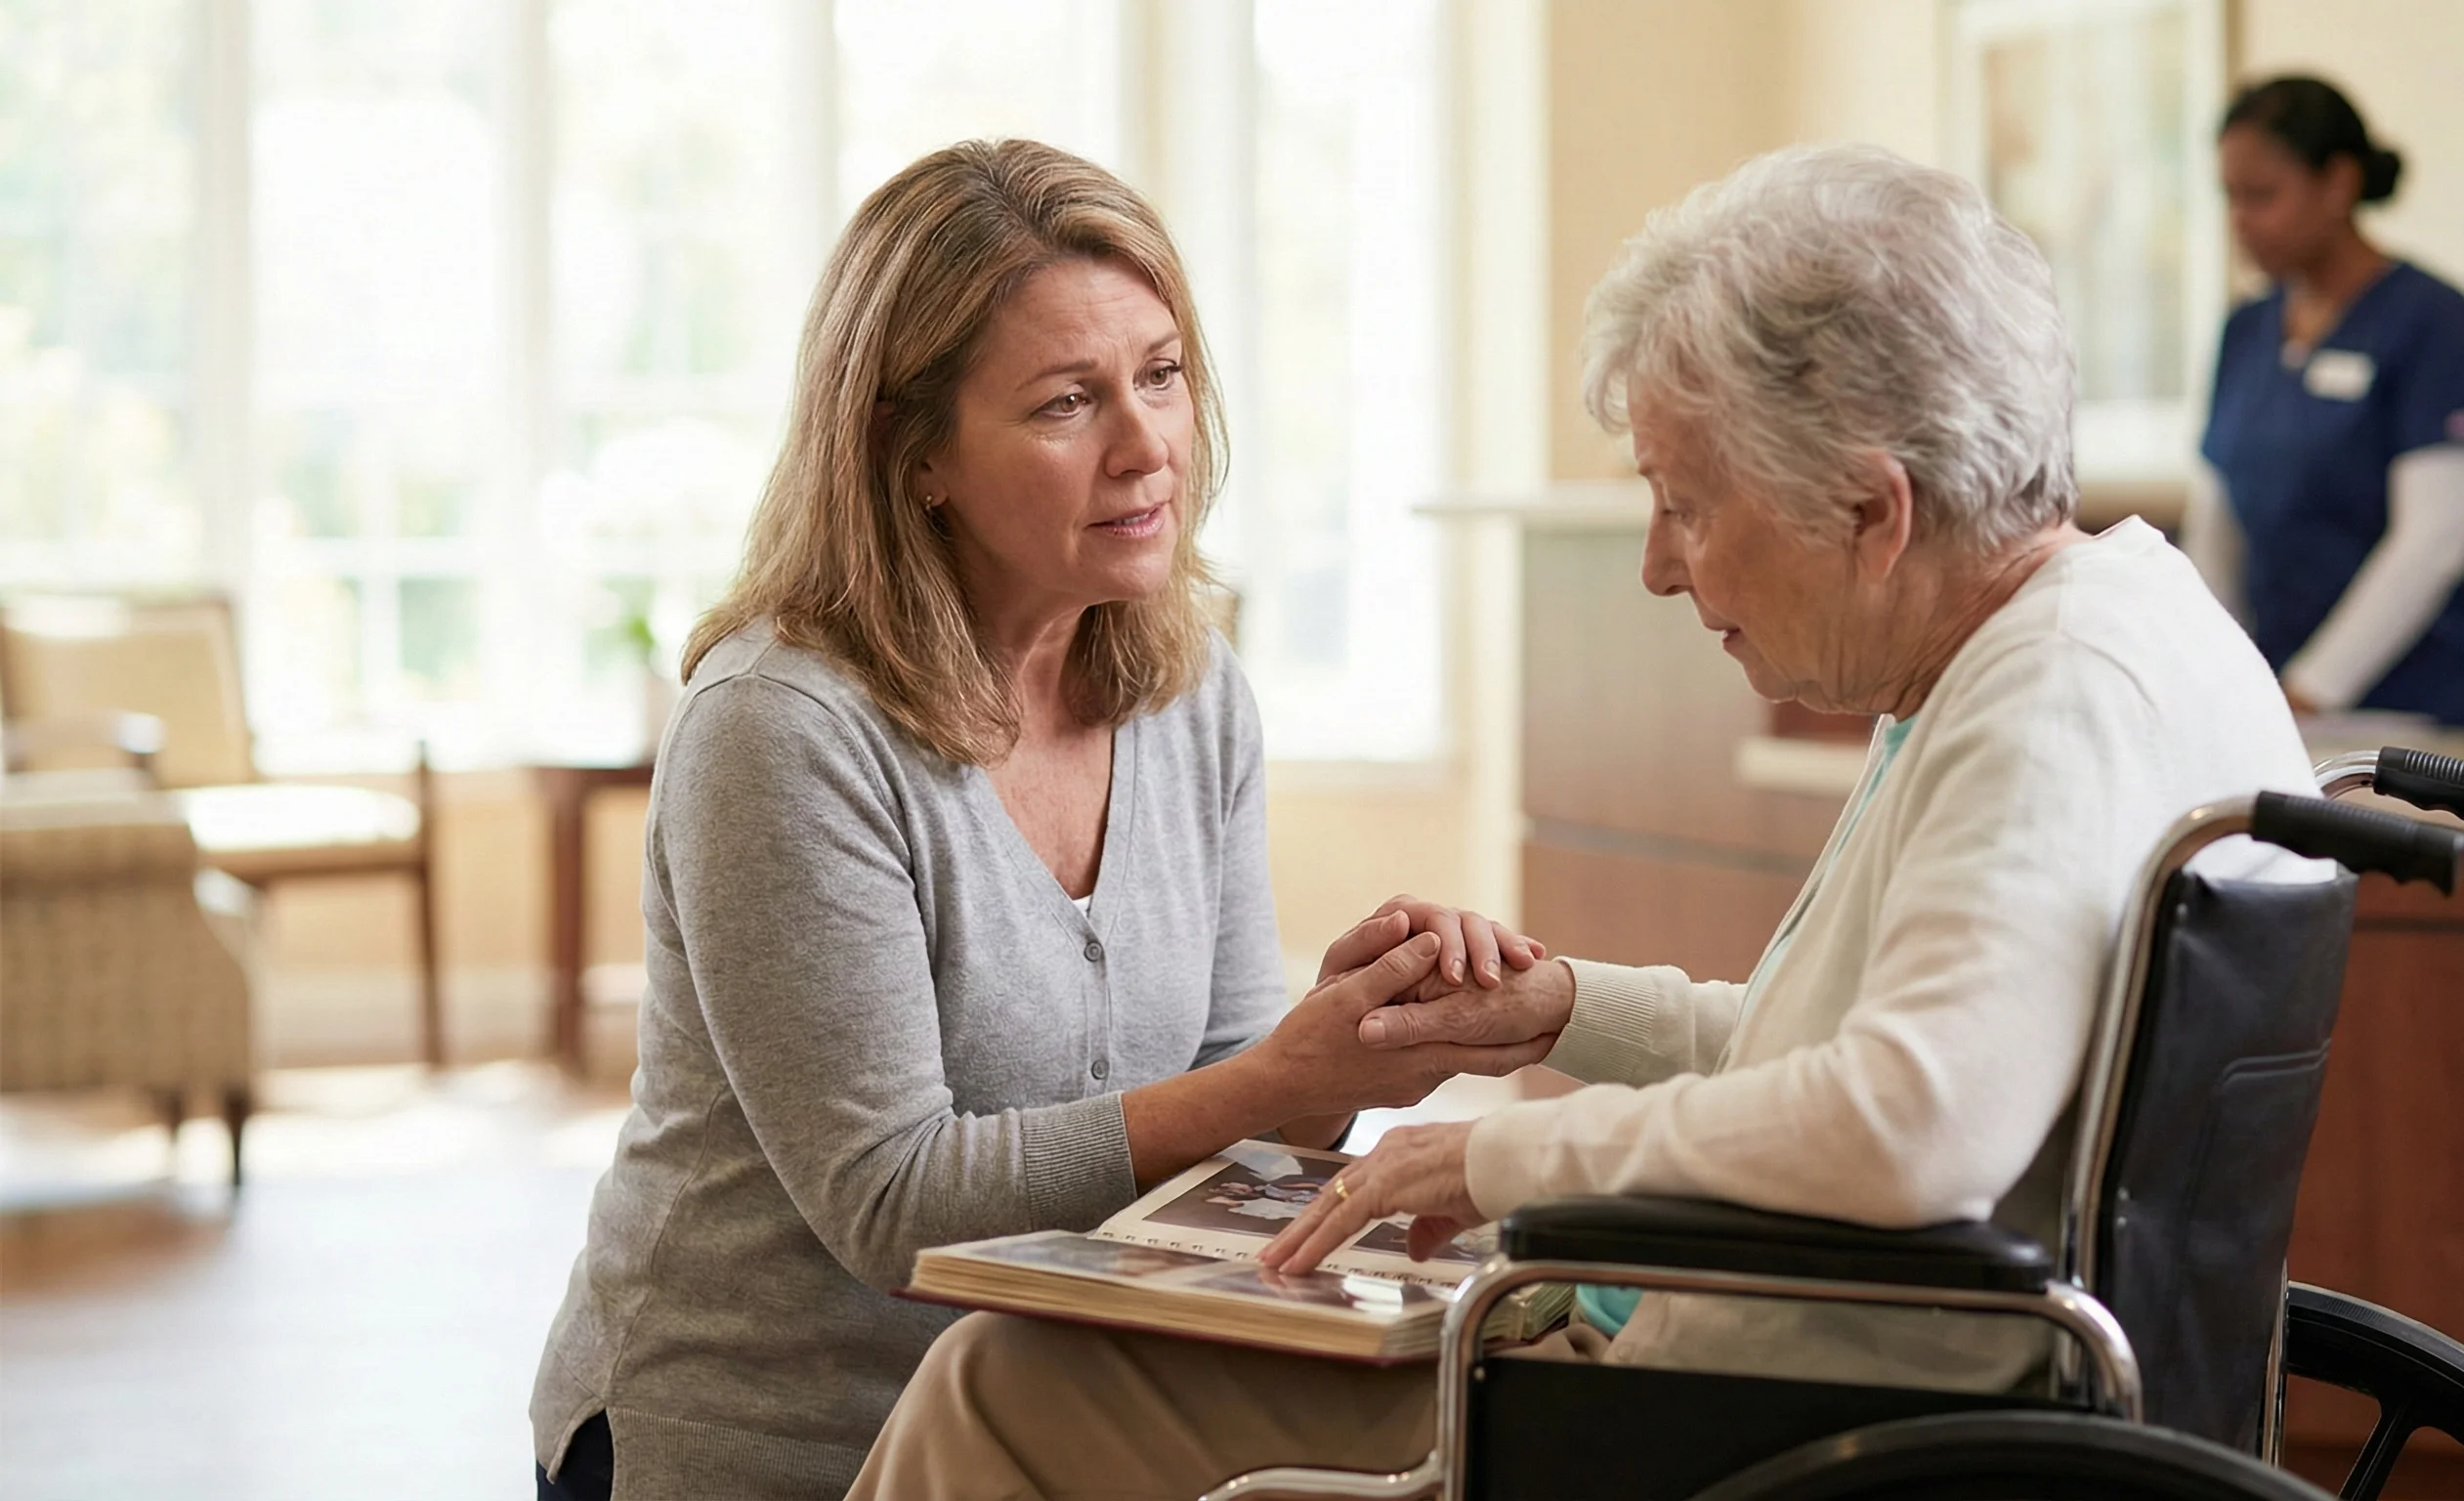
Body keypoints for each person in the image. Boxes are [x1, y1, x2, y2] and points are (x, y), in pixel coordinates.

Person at [846, 142, 2330, 1501]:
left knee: (1002, 1386)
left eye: (1683, 503)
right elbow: (1852, 1065)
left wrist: (1503, 1164)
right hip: (1810, 1384)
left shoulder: (2042, 706)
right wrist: (1556, 1012)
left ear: (1871, 515)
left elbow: (1904, 1123)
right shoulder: (2114, 633)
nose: (1659, 569)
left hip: (1735, 1434)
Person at [528, 140, 1551, 1501]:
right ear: (916, 456)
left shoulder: (1190, 691)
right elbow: (890, 1209)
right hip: (764, 1449)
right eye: (1068, 403)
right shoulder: (782, 727)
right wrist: (1278, 1083)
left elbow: (1232, 1139)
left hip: (1056, 1433)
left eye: (1162, 374)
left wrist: (1355, 1038)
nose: (1146, 449)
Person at [2186, 75, 2464, 725]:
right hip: (2272, 703)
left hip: (2406, 714)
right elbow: (2216, 520)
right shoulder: (2247, 329)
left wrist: (2310, 692)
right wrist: (2208, 668)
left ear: (2338, 185)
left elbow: (2435, 537)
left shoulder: (2432, 324)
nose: (2240, 221)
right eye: (2230, 197)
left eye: (2262, 196)